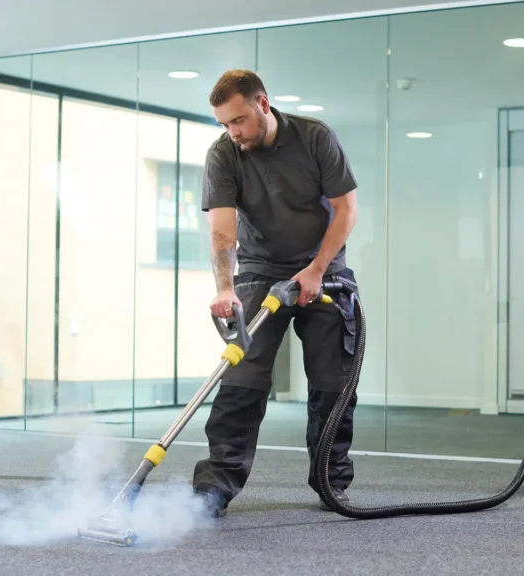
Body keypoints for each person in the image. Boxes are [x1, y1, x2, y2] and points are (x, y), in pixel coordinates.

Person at [191, 69, 361, 517]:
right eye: (224, 124)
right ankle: (215, 486)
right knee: (241, 382)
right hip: (261, 270)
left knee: (332, 385)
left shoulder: (315, 138)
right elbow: (222, 229)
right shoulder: (224, 153)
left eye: (239, 120)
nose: (234, 132)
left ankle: (330, 480)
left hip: (324, 272)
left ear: (263, 104)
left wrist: (316, 269)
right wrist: (225, 288)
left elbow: (346, 210)